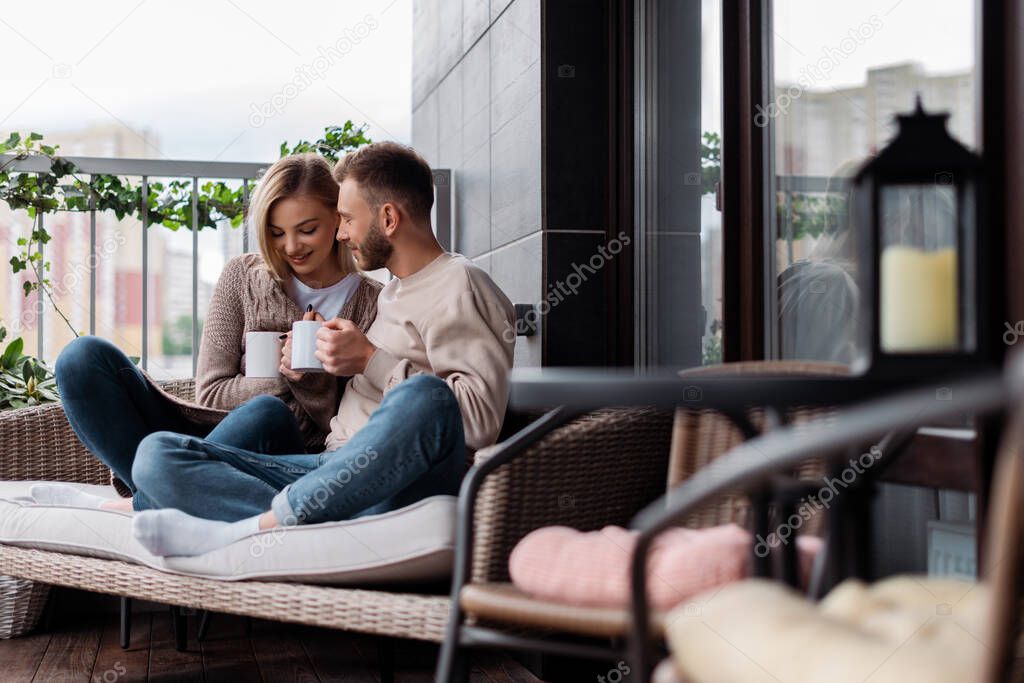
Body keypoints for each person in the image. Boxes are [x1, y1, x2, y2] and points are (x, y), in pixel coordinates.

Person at [44, 141, 516, 558]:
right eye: (276, 232)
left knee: (422, 398)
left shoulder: (457, 283)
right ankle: (193, 500)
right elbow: (213, 393)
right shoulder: (395, 292)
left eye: (344, 220)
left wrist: (365, 361)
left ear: (387, 218)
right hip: (319, 467)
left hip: (373, 473)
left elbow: (474, 419)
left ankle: (260, 524)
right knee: (155, 458)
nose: (344, 233)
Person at [32, 153, 381, 512]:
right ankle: (167, 492)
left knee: (267, 413)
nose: (291, 247)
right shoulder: (242, 277)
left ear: (338, 220)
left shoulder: (371, 304)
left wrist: (310, 378)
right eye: (276, 233)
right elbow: (211, 395)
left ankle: (140, 503)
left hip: (279, 457)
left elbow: (341, 431)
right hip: (211, 435)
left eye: (308, 229)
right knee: (82, 358)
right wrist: (280, 374)